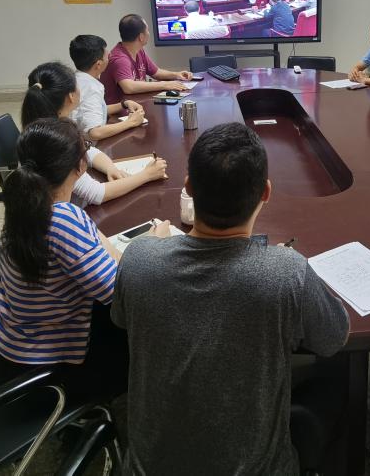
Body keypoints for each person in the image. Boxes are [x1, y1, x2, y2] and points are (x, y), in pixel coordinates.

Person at [111, 123, 350, 475]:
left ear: (188, 187)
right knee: (334, 384)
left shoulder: (138, 258)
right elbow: (333, 338)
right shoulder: (286, 273)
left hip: (148, 469)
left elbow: (121, 319)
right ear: (266, 192)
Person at [0, 117, 172, 398]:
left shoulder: (27, 204)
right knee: (156, 331)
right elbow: (124, 294)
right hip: (38, 371)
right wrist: (153, 245)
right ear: (81, 167)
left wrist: (127, 254)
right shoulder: (63, 220)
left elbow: (102, 252)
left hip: (5, 343)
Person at [24, 62, 168, 207]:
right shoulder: (57, 140)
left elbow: (87, 149)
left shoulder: (45, 126)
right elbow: (96, 193)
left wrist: (110, 167)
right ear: (70, 97)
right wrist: (147, 175)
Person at [100, 14, 194, 104]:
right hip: (119, 111)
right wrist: (165, 85)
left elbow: (156, 72)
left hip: (136, 104)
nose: (149, 33)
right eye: (147, 30)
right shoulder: (120, 59)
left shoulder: (139, 51)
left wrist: (176, 75)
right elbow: (129, 87)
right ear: (141, 37)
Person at [68, 34, 147, 141]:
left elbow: (90, 111)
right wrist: (131, 122)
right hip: (91, 146)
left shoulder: (77, 79)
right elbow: (95, 132)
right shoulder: (92, 88)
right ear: (98, 64)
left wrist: (123, 104)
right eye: (107, 56)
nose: (109, 58)